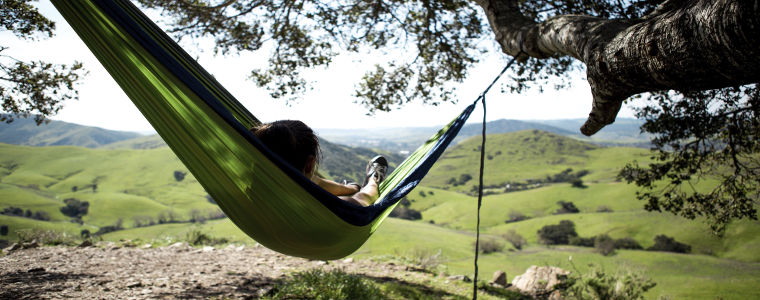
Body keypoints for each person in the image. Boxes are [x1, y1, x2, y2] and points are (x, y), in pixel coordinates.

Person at [251, 120, 388, 207]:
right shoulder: (336, 208)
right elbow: (367, 197)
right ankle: (373, 177)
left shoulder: (244, 193)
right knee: (302, 180)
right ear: (310, 164)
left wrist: (352, 188)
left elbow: (317, 182)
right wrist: (372, 182)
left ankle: (351, 188)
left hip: (266, 226)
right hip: (317, 240)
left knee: (302, 179)